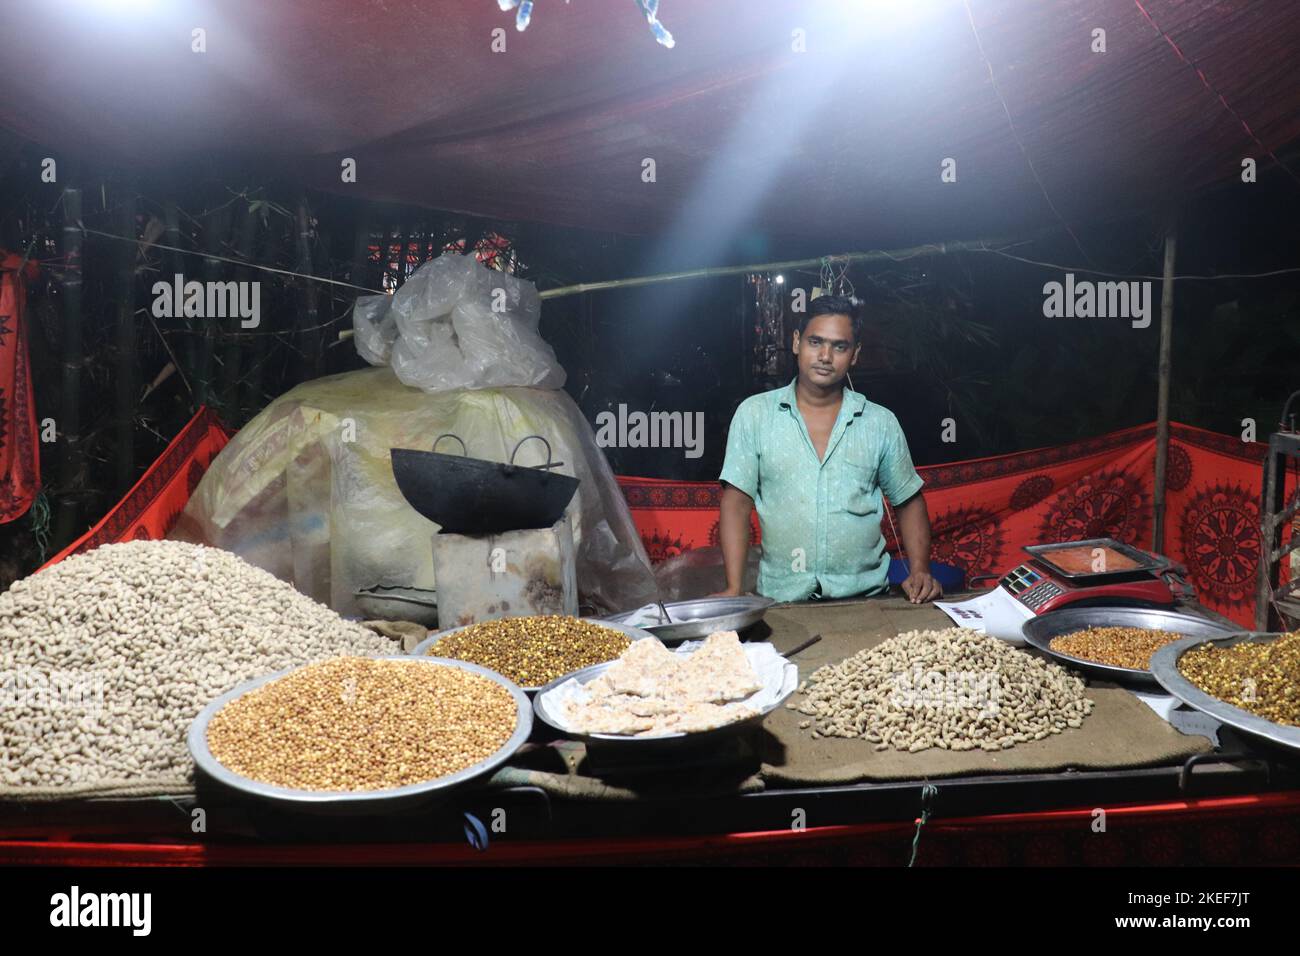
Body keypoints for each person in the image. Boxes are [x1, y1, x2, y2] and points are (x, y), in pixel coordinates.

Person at [715, 294, 941, 604]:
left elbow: (909, 500)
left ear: (855, 354)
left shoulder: (879, 422)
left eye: (839, 347)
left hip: (866, 600)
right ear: (796, 342)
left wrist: (920, 570)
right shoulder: (754, 415)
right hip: (781, 599)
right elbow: (736, 503)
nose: (825, 355)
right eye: (815, 342)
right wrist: (734, 587)